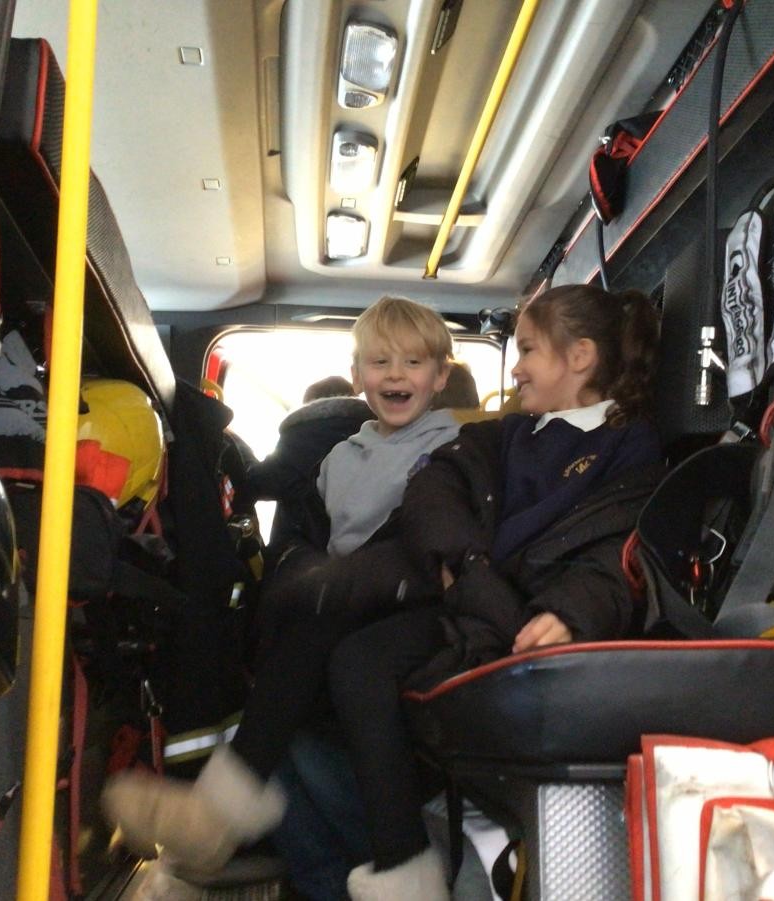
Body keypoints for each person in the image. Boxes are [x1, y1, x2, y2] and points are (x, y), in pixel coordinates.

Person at [102, 296, 461, 892]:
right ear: (357, 376)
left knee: (314, 635)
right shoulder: (339, 458)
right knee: (299, 648)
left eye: (413, 362)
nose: (396, 374)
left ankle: (219, 813)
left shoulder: (454, 445)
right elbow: (319, 536)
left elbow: (436, 538)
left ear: (441, 376)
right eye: (380, 362)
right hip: (351, 600)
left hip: (418, 599)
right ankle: (256, 835)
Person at [324, 283, 664, 899]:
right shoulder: (511, 433)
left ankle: (414, 859)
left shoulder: (629, 448)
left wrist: (571, 611)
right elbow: (434, 487)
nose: (516, 367)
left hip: (527, 627)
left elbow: (619, 550)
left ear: (580, 357)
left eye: (528, 350)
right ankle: (403, 864)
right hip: (473, 606)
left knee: (355, 663)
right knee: (349, 655)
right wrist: (470, 564)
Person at [245, 376, 372, 548]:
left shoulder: (299, 437)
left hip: (303, 554)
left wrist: (240, 448)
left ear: (308, 406)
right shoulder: (377, 434)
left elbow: (257, 483)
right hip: (366, 553)